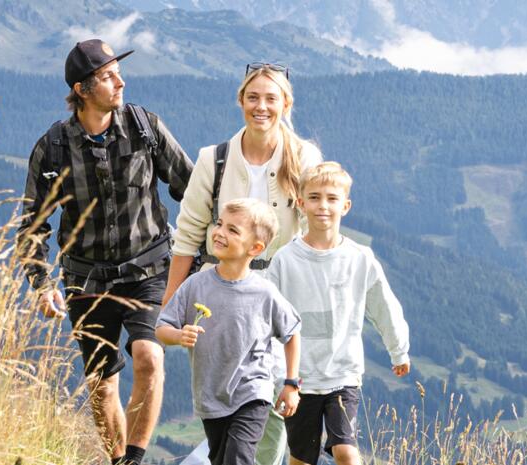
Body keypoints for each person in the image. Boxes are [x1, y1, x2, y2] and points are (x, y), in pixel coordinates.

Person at [16, 38, 194, 465]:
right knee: (102, 382)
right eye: (108, 76)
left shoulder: (144, 127)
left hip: (149, 269)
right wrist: (42, 285)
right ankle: (117, 460)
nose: (121, 81)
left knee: (149, 355)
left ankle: (132, 457)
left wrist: (201, 258)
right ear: (82, 89)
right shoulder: (53, 148)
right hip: (85, 280)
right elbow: (32, 226)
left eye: (118, 72)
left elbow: (191, 187)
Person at [164, 63, 322, 465]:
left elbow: (315, 232)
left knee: (263, 401)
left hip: (279, 292)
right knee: (222, 404)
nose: (261, 107)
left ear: (286, 104)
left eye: (271, 99)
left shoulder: (304, 159)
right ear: (240, 101)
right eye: (253, 97)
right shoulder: (213, 159)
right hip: (216, 297)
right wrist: (167, 313)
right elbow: (187, 236)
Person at [264, 162, 411, 465]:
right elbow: (268, 320)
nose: (323, 206)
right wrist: (281, 377)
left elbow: (384, 305)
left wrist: (399, 350)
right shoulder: (285, 261)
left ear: (345, 206)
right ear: (301, 204)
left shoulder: (360, 258)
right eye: (315, 198)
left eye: (332, 199)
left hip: (343, 374)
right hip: (299, 378)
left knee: (345, 450)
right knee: (301, 458)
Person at [156, 198, 302, 465]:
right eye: (220, 224)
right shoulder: (195, 285)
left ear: (255, 248)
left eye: (233, 230)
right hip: (211, 396)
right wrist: (178, 335)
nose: (220, 232)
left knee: (237, 459)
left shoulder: (264, 292)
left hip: (253, 393)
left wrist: (291, 383)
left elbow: (292, 333)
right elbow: (162, 328)